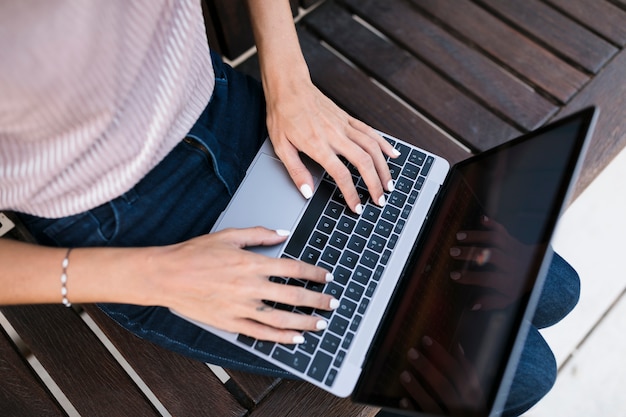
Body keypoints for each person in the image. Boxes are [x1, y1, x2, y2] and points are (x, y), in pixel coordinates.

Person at [0, 1, 578, 416]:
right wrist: (158, 275)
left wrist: (288, 81)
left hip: (237, 108)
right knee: (523, 373)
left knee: (554, 288)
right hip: (132, 230)